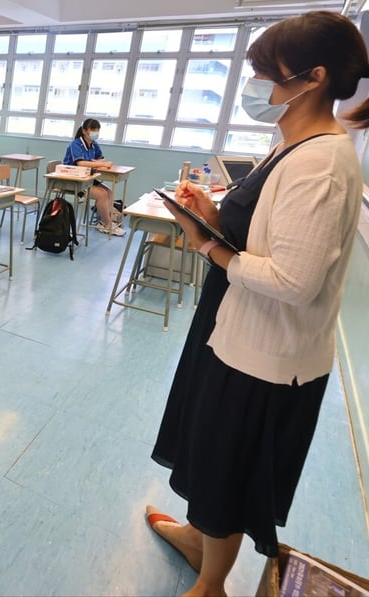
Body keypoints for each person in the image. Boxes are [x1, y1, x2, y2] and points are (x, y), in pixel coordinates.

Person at [145, 12, 368, 597]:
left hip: (267, 357)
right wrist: (216, 218)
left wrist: (207, 247)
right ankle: (203, 542)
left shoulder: (321, 164)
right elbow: (266, 236)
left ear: (312, 77)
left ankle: (211, 584)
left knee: (230, 468)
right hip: (234, 331)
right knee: (209, 456)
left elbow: (294, 281)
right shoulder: (289, 145)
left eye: (268, 75)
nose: (258, 89)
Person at [62, 118, 124, 236]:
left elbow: (100, 158)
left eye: (97, 130)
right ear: (85, 131)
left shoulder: (94, 144)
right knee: (102, 195)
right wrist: (99, 164)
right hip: (73, 180)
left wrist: (97, 162)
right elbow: (80, 163)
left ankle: (105, 221)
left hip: (87, 177)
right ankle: (107, 225)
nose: (96, 133)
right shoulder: (75, 144)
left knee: (109, 192)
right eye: (93, 130)